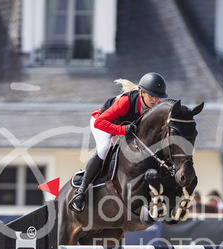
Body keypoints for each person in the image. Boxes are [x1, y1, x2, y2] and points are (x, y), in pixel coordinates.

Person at [69, 72, 168, 212]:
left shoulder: (156, 107)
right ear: (141, 92)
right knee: (104, 148)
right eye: (151, 96)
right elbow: (99, 123)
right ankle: (80, 192)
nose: (154, 100)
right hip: (103, 122)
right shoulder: (126, 102)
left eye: (157, 97)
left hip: (124, 127)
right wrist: (123, 130)